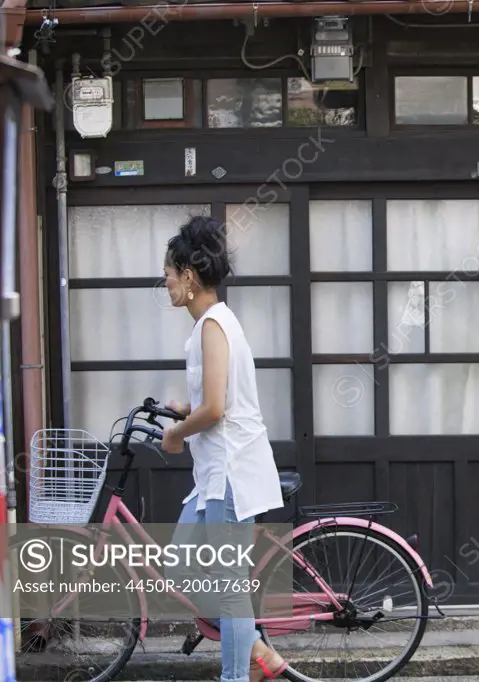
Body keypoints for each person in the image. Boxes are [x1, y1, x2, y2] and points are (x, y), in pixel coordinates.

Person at [161, 216, 287, 682]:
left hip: (230, 475)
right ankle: (260, 654)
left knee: (230, 590)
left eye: (169, 274)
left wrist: (176, 434)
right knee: (177, 569)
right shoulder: (211, 325)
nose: (166, 283)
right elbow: (214, 401)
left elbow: (216, 409)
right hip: (213, 476)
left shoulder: (214, 325)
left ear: (189, 277)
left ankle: (236, 676)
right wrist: (183, 409)